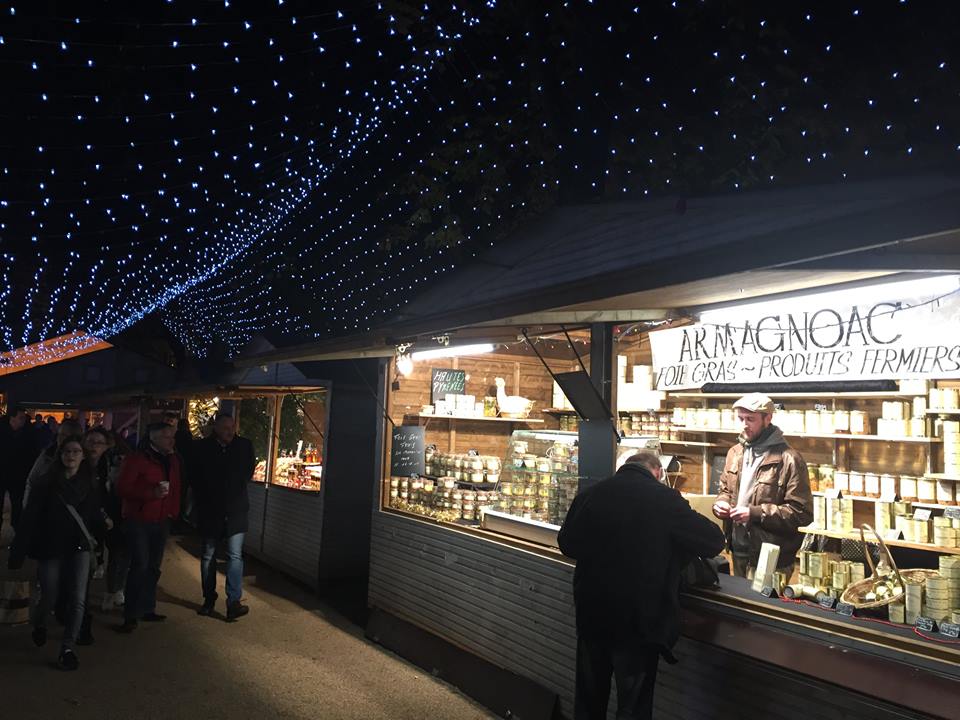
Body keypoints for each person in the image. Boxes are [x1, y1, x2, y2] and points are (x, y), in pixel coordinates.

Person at [558, 450, 725, 720]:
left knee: (589, 700)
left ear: (623, 468)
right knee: (633, 705)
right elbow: (713, 541)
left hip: (593, 614)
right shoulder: (665, 499)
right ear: (657, 472)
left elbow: (567, 544)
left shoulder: (592, 494)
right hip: (638, 620)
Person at [8, 436, 107, 670]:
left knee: (78, 598)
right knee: (50, 594)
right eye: (66, 451)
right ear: (60, 456)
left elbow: (93, 516)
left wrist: (103, 529)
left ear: (83, 456)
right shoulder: (45, 484)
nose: (71, 455)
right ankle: (40, 623)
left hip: (79, 546)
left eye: (76, 451)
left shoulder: (90, 484)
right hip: (50, 545)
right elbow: (30, 518)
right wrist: (18, 553)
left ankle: (68, 647)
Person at [713, 393, 813, 579]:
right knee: (740, 605)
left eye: (750, 419)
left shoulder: (789, 459)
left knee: (762, 607)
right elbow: (726, 491)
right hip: (738, 547)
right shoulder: (735, 453)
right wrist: (721, 503)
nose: (744, 424)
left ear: (768, 418)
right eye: (741, 418)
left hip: (771, 556)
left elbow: (801, 513)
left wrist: (754, 513)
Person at [116, 422, 182, 633]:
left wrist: (173, 511)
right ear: (153, 438)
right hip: (139, 519)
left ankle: (147, 607)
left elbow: (177, 487)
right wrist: (150, 494)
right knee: (140, 565)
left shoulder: (172, 460)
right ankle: (131, 613)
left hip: (161, 520)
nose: (171, 440)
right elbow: (123, 487)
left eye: (172, 436)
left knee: (153, 567)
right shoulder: (137, 459)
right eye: (166, 437)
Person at [191, 414, 254, 620]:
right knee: (208, 555)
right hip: (211, 510)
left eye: (232, 427)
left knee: (235, 556)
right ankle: (209, 599)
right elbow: (196, 477)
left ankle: (233, 601)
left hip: (236, 510)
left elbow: (247, 473)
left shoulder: (244, 445)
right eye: (225, 427)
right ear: (215, 428)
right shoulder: (202, 448)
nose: (229, 431)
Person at [22, 418, 84, 509]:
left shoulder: (82, 459)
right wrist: (27, 506)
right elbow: (32, 480)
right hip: (44, 508)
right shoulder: (47, 454)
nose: (60, 438)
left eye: (64, 435)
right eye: (59, 434)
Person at [0, 406, 38, 538]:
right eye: (20, 418)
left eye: (24, 418)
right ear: (12, 418)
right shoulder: (3, 432)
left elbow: (33, 454)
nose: (23, 421)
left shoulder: (28, 433)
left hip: (18, 477)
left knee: (18, 505)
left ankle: (18, 534)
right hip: (3, 474)